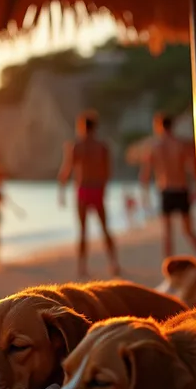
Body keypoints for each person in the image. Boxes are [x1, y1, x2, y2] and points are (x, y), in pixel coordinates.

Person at [58, 110, 120, 278]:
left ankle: (82, 267)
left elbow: (67, 170)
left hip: (83, 190)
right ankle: (114, 263)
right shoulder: (102, 146)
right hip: (97, 189)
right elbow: (107, 172)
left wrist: (61, 192)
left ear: (81, 127)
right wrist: (103, 189)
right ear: (95, 127)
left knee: (83, 230)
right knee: (105, 228)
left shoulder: (76, 146)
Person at [139, 114, 196, 259]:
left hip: (166, 190)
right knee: (188, 230)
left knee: (167, 232)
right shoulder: (180, 144)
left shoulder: (154, 146)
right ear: (172, 126)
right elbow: (193, 169)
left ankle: (168, 264)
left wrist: (145, 195)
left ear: (159, 126)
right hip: (181, 189)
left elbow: (145, 174)